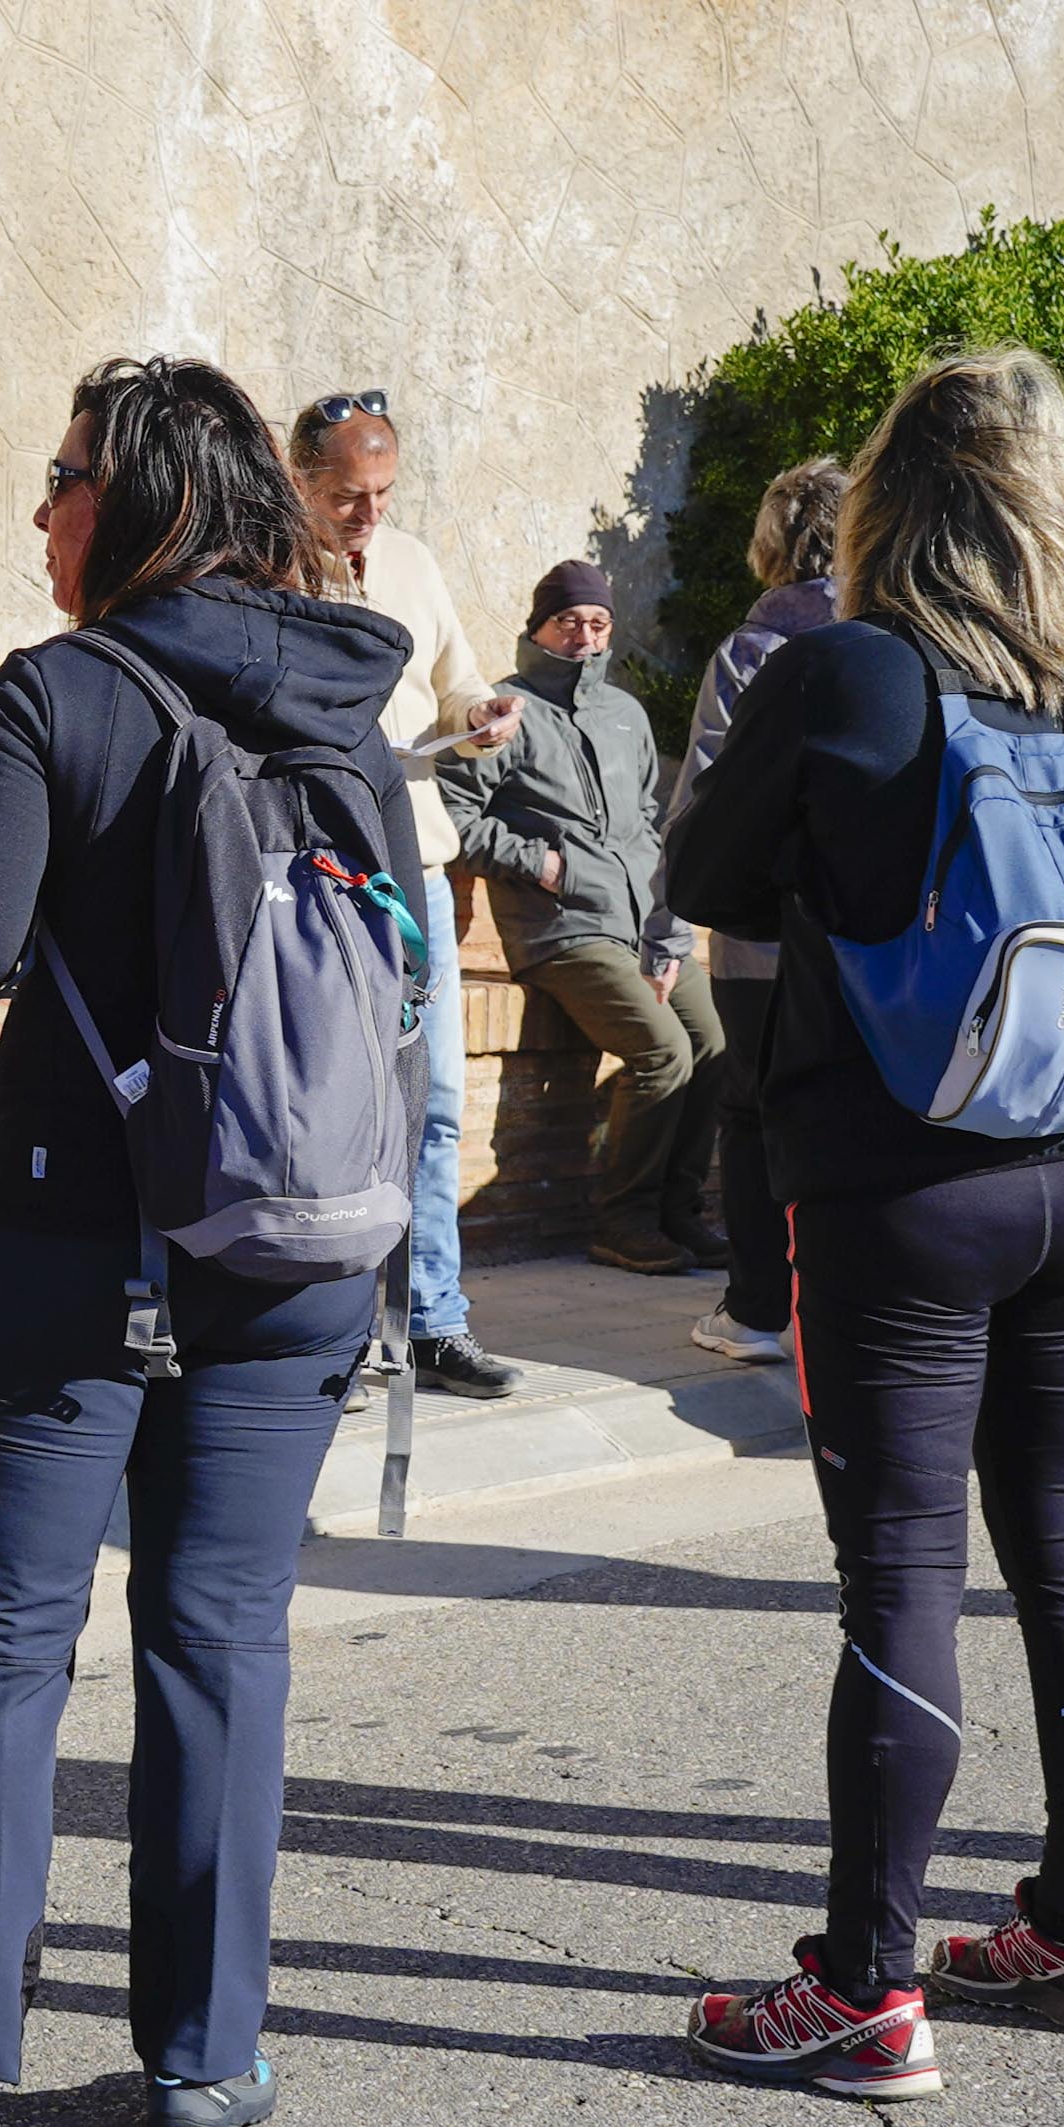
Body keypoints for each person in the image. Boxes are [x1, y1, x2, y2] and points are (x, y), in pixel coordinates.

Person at [0, 359, 415, 2127]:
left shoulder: (57, 689)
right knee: (220, 1638)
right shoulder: (351, 694)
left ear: (142, 496)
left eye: (64, 475)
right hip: (297, 1233)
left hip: (68, 1229)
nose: (42, 508)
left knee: (0, 1643)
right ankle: (202, 2059)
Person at [659, 349, 1064, 2096]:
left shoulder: (848, 669)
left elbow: (704, 875)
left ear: (892, 497)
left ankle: (866, 1985)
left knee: (899, 1566)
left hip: (900, 1169)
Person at [290, 394, 529, 1398]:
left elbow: (454, 682)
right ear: (301, 481)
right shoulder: (265, 566)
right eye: (350, 496)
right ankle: (327, 1337)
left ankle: (432, 1320)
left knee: (432, 1104)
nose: (369, 515)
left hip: (415, 871)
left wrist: (483, 713)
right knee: (327, 1114)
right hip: (315, 876)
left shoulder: (414, 563)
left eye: (383, 494)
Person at [445, 559, 721, 1274]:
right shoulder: (506, 711)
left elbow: (651, 819)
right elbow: (456, 818)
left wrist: (667, 928)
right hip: (562, 930)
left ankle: (677, 1212)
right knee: (663, 1051)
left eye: (598, 623)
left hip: (643, 927)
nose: (585, 636)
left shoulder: (625, 713)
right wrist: (542, 864)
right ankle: (623, 1219)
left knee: (716, 1043)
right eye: (568, 621)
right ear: (539, 627)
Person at [674, 460, 848, 1369]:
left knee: (749, 1113)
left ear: (770, 545)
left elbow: (702, 802)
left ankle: (755, 1311)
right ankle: (837, 1300)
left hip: (757, 939)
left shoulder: (750, 653)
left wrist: (683, 915)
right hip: (859, 934)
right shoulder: (892, 643)